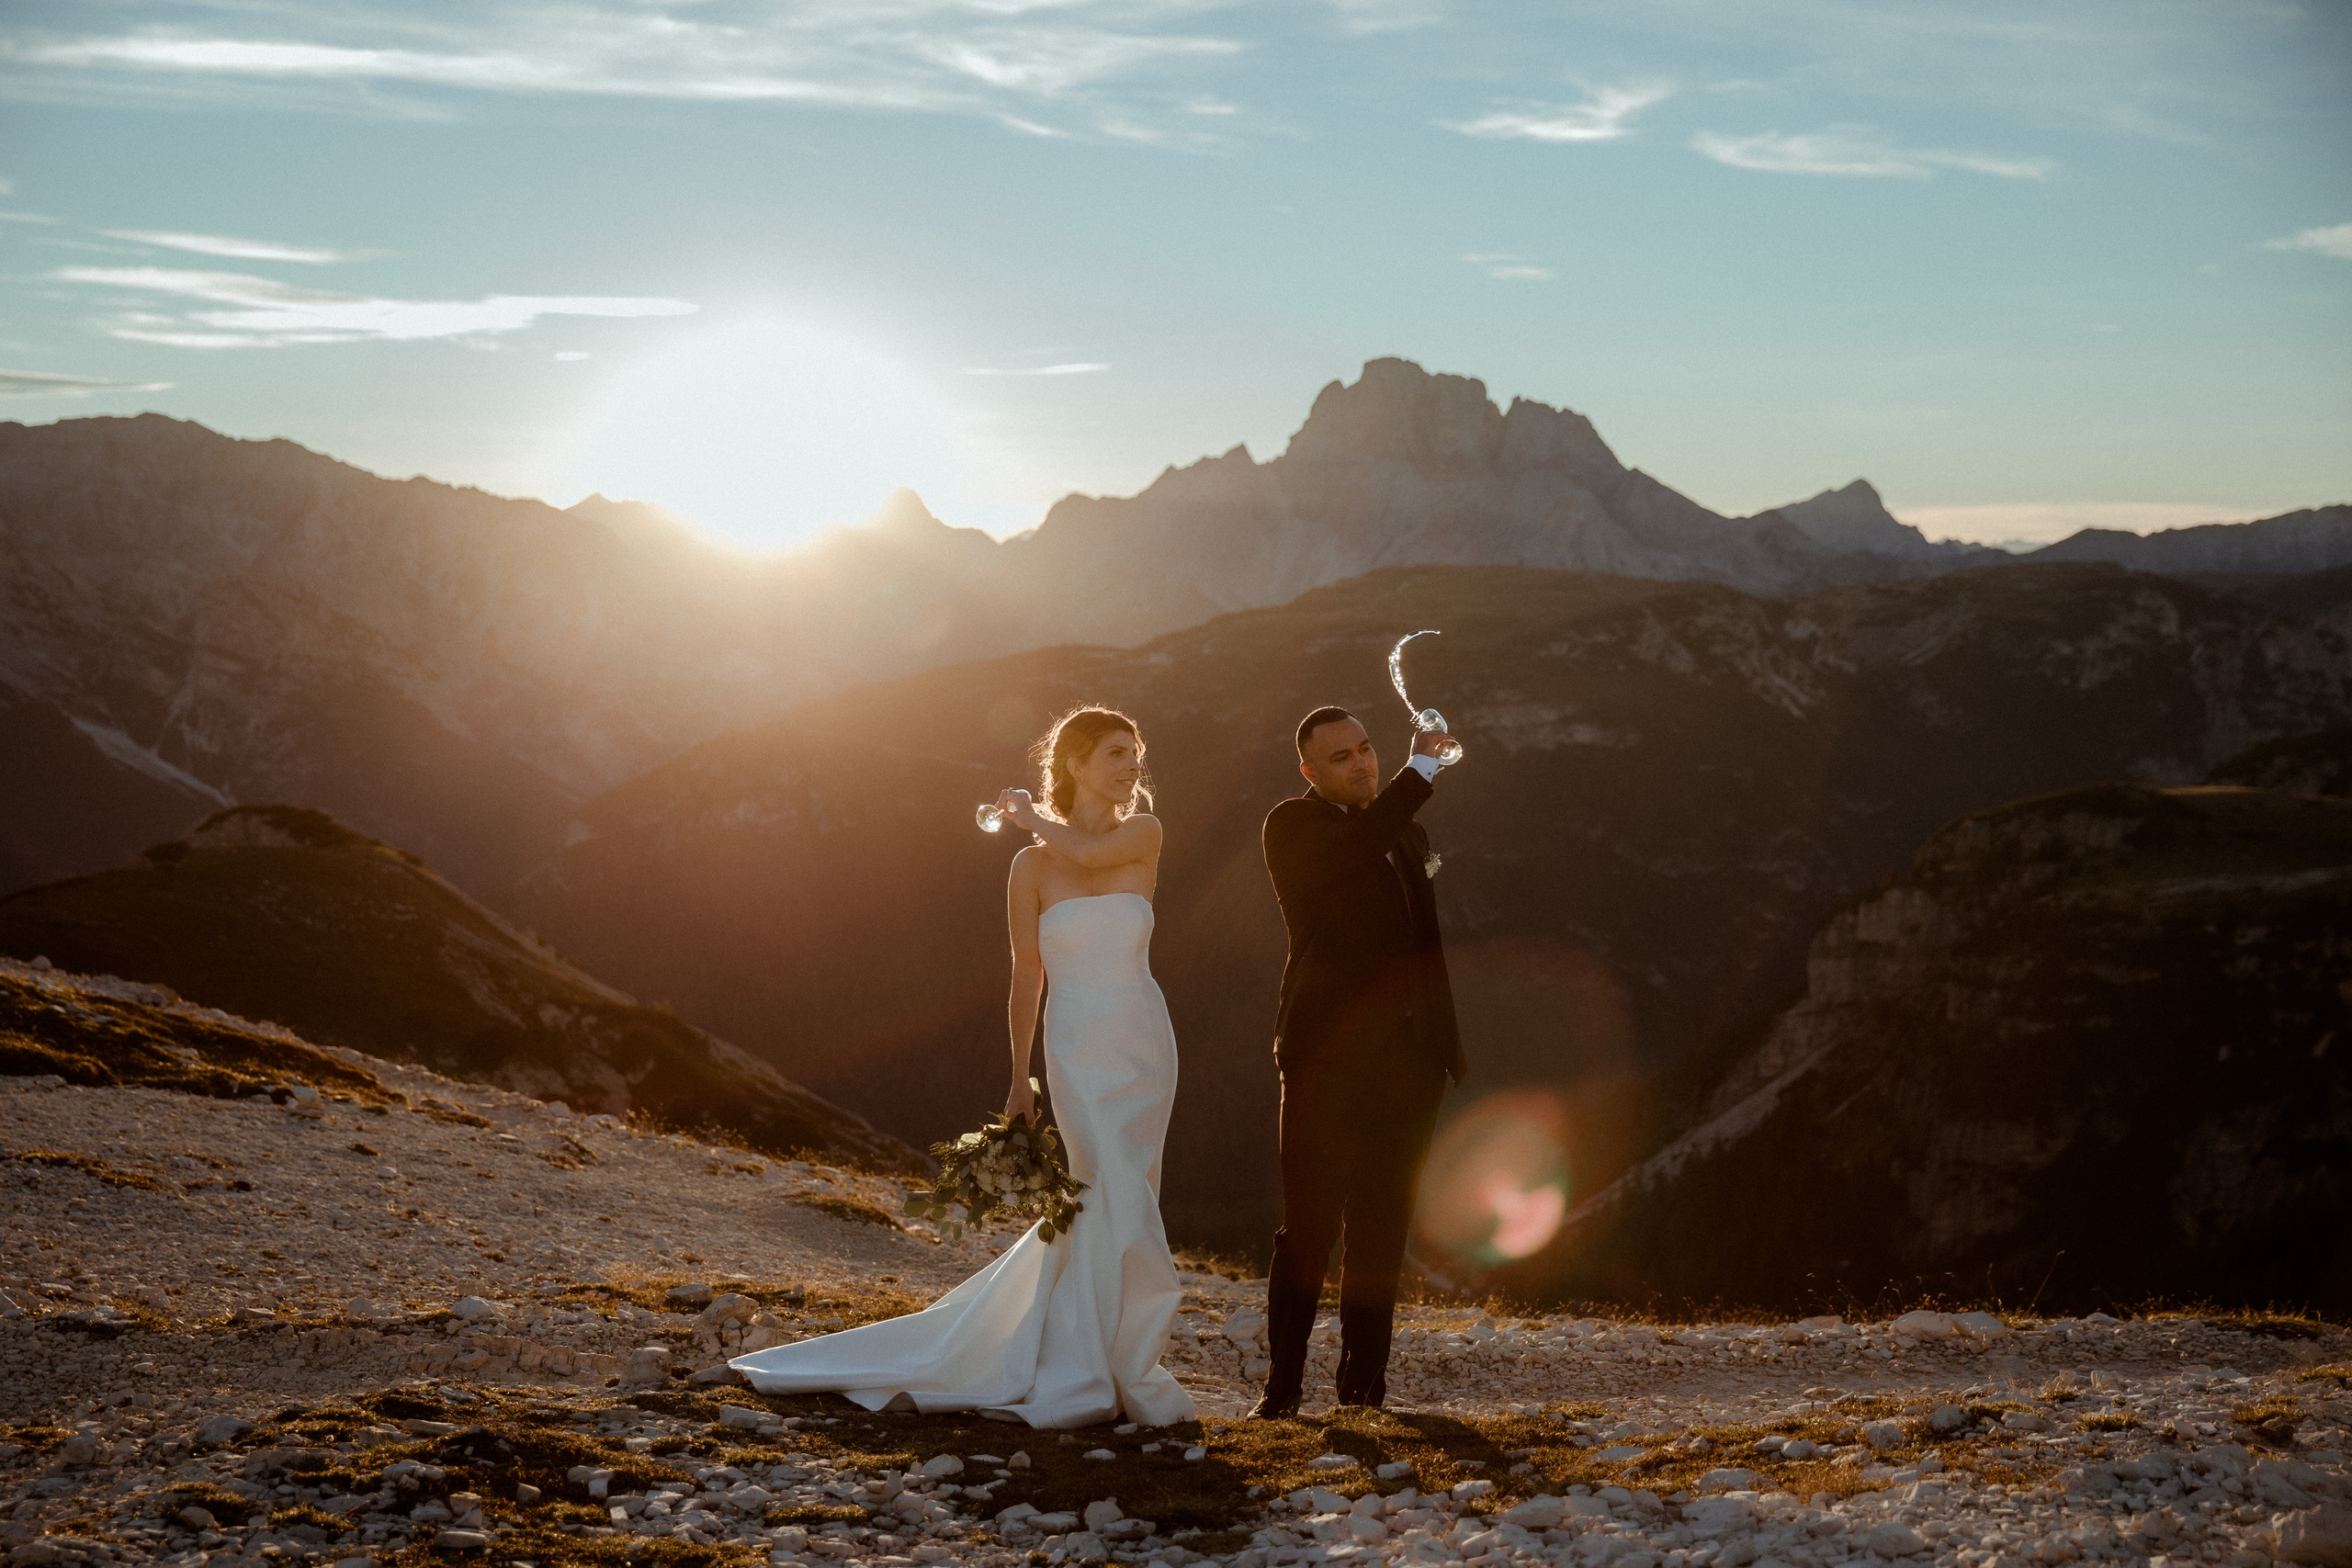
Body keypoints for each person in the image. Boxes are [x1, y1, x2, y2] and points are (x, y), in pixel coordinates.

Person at [729, 706, 1195, 1428]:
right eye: (1113, 752)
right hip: (1075, 1044)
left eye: (1135, 751)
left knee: (1131, 1187)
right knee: (1100, 1187)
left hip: (1142, 1037)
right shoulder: (1029, 864)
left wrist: (1029, 812)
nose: (1131, 763)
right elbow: (1025, 977)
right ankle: (1099, 1366)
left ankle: (1117, 1358)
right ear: (1074, 763)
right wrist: (1020, 1079)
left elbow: (1093, 856)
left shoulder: (1143, 834)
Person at [1251, 705, 1465, 1418]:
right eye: (1341, 757)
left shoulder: (1409, 833)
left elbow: (1422, 942)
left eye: (1367, 748)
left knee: (1383, 1225)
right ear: (1310, 772)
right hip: (1323, 1060)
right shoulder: (1292, 827)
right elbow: (1351, 854)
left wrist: (1443, 1045)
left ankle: (1363, 1391)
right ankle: (1280, 1393)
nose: (1363, 763)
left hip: (1410, 1064)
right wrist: (1422, 768)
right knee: (1310, 1226)